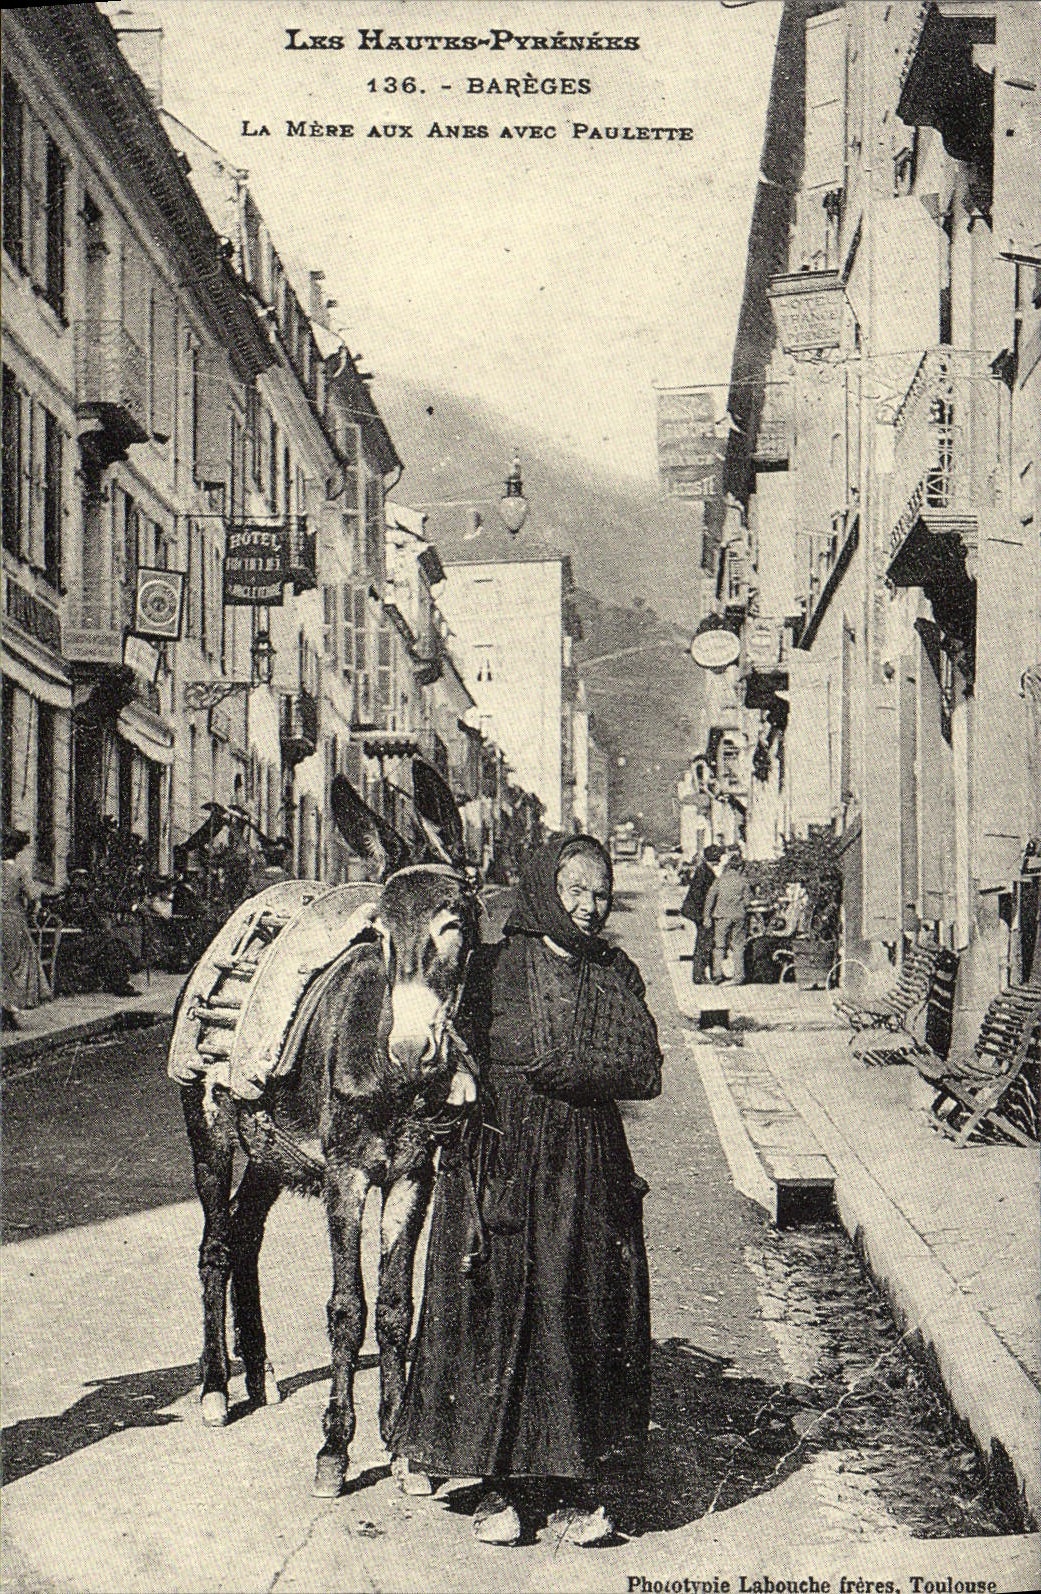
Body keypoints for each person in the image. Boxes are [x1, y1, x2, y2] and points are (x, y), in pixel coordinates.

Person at [393, 834, 663, 1547]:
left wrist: (570, 1068)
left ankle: (574, 1488)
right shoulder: (491, 967)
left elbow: (642, 1068)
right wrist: (457, 1079)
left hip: (587, 1163)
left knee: (577, 1310)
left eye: (600, 892)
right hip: (501, 1156)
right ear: (545, 888)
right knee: (495, 1311)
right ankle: (498, 1488)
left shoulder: (617, 970)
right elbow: (444, 1049)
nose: (589, 905)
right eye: (574, 889)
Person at [2, 827, 44, 1029]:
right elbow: (34, 899)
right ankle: (10, 1008)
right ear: (17, 850)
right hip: (13, 921)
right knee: (18, 963)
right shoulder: (20, 871)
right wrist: (32, 916)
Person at [704, 844, 750, 985]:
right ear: (740, 867)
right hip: (738, 916)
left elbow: (710, 898)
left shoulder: (720, 880)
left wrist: (707, 916)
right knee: (738, 946)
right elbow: (747, 901)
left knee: (719, 946)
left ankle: (717, 974)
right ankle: (739, 976)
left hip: (721, 916)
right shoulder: (743, 881)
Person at [679, 843, 723, 983]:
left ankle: (712, 974)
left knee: (706, 942)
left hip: (698, 911)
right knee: (704, 944)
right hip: (699, 913)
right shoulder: (704, 872)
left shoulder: (703, 869)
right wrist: (705, 916)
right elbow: (699, 897)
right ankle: (699, 975)